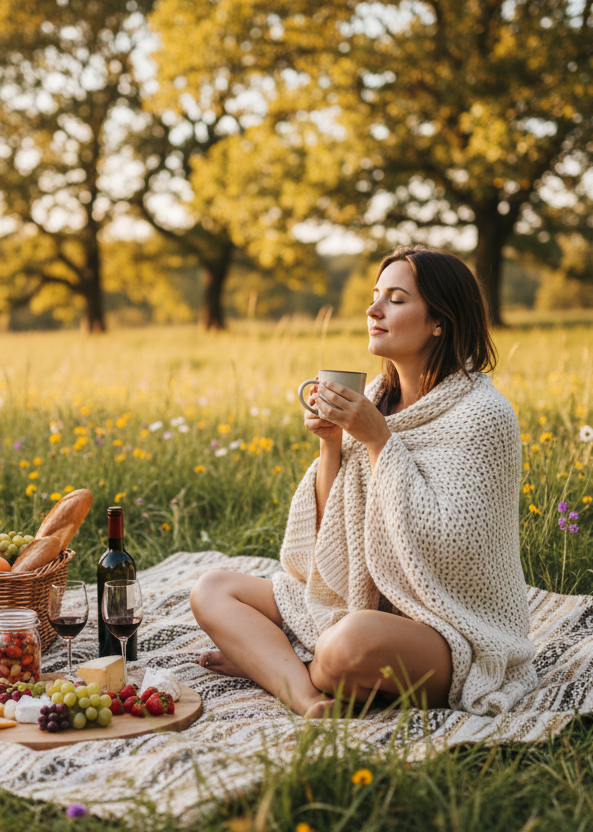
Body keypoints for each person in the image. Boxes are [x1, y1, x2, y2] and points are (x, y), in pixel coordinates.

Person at [191, 245, 537, 718]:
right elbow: (331, 529)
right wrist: (332, 443)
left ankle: (275, 664)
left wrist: (379, 441)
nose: (373, 310)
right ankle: (308, 695)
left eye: (396, 299)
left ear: (440, 319)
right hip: (360, 598)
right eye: (376, 296)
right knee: (212, 589)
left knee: (348, 644)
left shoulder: (483, 416)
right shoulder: (375, 398)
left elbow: (452, 545)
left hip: (445, 627)